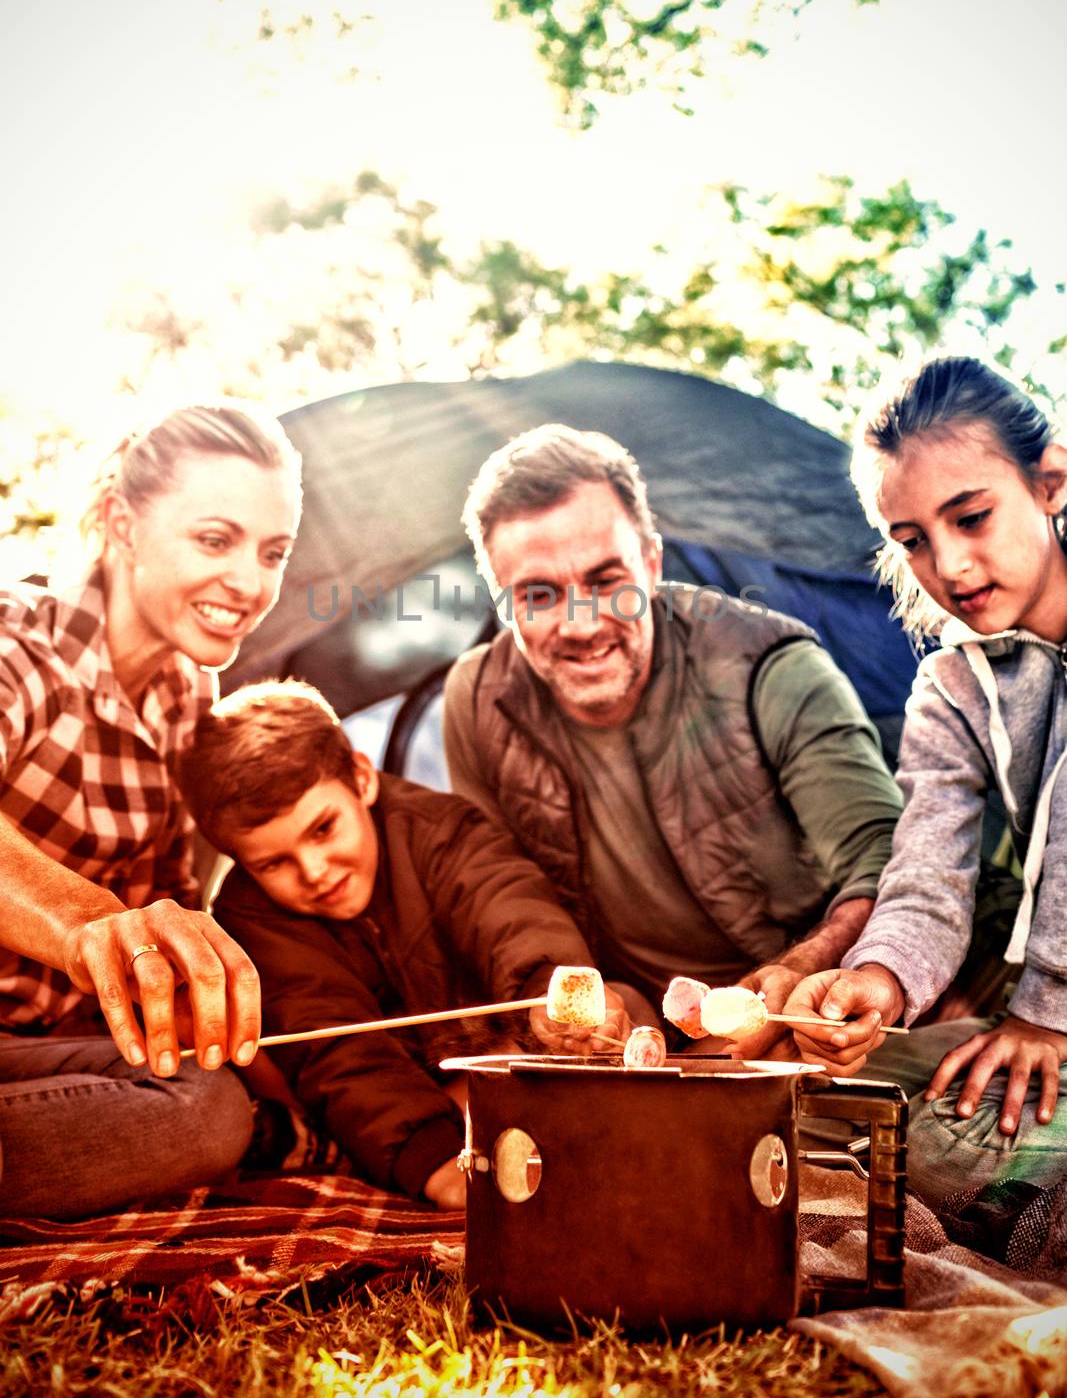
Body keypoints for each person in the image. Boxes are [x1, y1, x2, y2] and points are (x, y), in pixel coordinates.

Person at [442, 424, 905, 1052]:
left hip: (804, 1014)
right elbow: (494, 886)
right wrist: (561, 987)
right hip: (634, 1031)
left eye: (607, 581)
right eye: (539, 595)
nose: (581, 624)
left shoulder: (772, 666)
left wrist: (804, 972)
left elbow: (886, 860)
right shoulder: (477, 698)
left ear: (652, 564)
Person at [0, 402, 302, 1219]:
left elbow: (166, 914)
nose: (249, 582)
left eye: (272, 552)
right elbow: (112, 925)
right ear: (122, 526)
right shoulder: (20, 644)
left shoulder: (185, 696)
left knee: (209, 1106)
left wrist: (292, 1076)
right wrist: (88, 925)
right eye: (215, 539)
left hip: (46, 1051)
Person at [785, 356, 1067, 1214]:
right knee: (807, 1106)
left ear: (1050, 481)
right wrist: (878, 980)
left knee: (963, 1141)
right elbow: (926, 871)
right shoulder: (950, 683)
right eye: (909, 539)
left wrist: (1048, 1008)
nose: (946, 564)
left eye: (971, 516)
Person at [180, 678, 623, 1210]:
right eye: (273, 863)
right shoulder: (249, 916)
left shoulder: (440, 830)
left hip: (512, 1057)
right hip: (398, 1101)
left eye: (323, 829)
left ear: (362, 780)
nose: (314, 872)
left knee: (624, 1010)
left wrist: (550, 991)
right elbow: (335, 1051)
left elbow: (512, 912)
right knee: (273, 1062)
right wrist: (435, 1163)